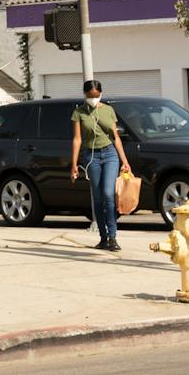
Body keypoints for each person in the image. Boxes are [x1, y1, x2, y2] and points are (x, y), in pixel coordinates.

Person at [68, 79, 131, 252]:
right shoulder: (79, 113)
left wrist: (124, 161)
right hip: (91, 156)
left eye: (96, 96)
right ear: (85, 95)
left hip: (110, 154)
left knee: (108, 194)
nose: (93, 99)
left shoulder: (109, 110)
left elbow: (116, 137)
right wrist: (74, 164)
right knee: (97, 198)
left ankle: (113, 236)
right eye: (90, 96)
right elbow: (77, 139)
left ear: (101, 94)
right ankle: (103, 237)